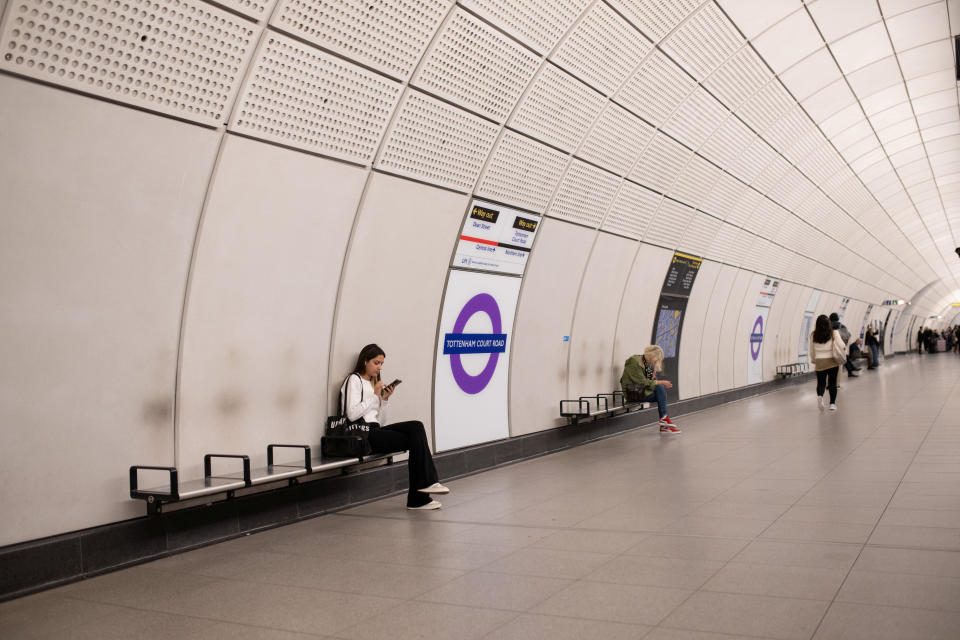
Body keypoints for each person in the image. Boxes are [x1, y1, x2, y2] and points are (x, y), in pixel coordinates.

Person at [341, 343, 448, 510]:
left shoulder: (373, 384)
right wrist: (375, 396)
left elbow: (381, 421)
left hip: (375, 429)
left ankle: (425, 489)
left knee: (416, 427)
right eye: (376, 363)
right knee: (415, 439)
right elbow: (351, 414)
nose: (379, 367)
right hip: (363, 435)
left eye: (382, 364)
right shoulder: (354, 380)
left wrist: (384, 400)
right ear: (365, 361)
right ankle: (419, 498)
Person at [620, 345, 680, 434]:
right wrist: (661, 382)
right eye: (655, 360)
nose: (655, 362)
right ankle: (664, 421)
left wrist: (654, 378)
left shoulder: (646, 363)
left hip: (641, 391)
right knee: (660, 388)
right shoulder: (634, 362)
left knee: (660, 392)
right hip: (632, 392)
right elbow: (642, 381)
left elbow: (648, 382)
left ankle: (664, 423)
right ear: (651, 356)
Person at [810, 314, 844, 411]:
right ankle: (832, 404)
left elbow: (812, 350)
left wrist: (814, 360)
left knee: (821, 383)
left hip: (820, 361)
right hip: (832, 360)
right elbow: (841, 345)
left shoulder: (813, 335)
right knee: (832, 383)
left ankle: (820, 396)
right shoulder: (834, 333)